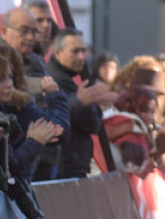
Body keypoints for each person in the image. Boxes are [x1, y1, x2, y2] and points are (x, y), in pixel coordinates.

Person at [48, 28, 118, 179]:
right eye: (75, 51)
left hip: (72, 166)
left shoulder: (71, 79)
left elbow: (94, 123)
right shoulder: (55, 81)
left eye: (83, 51)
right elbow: (88, 122)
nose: (81, 56)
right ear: (58, 53)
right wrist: (81, 103)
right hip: (63, 169)